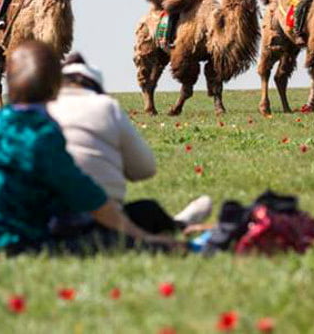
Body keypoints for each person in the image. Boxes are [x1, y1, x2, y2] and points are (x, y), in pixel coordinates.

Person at [0, 41, 179, 260]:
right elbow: (87, 196)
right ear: (55, 86)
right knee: (117, 238)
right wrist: (144, 239)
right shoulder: (41, 134)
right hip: (13, 245)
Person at [47, 52, 212, 235]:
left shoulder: (43, 111)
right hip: (104, 220)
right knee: (147, 210)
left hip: (50, 220)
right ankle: (178, 225)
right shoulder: (107, 107)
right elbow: (145, 169)